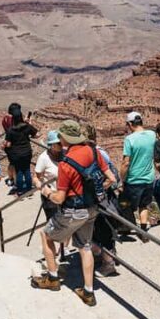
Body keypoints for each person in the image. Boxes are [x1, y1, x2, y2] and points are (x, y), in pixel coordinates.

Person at [31, 120, 116, 307]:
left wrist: (44, 191)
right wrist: (97, 192)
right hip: (93, 209)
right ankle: (88, 291)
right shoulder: (93, 151)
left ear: (65, 138)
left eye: (60, 136)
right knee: (85, 246)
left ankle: (52, 279)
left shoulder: (66, 163)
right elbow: (111, 178)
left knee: (46, 235)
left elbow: (60, 198)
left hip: (73, 211)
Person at [84, 123, 121, 278]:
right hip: (99, 199)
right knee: (98, 231)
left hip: (102, 200)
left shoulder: (98, 154)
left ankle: (108, 265)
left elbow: (112, 178)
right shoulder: (95, 152)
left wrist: (99, 190)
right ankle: (104, 257)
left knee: (103, 230)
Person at [119, 111, 156, 234]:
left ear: (130, 124)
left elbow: (126, 163)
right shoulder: (152, 135)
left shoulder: (129, 139)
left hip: (134, 179)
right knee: (143, 205)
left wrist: (122, 179)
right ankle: (143, 231)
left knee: (124, 203)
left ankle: (128, 226)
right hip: (149, 178)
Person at [4, 109, 38, 195]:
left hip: (16, 154)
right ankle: (29, 190)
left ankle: (19, 191)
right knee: (27, 170)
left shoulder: (11, 130)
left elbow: (8, 144)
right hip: (27, 152)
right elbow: (37, 134)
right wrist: (29, 124)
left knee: (19, 171)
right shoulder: (27, 126)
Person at [33, 130, 63, 221]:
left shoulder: (65, 153)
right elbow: (35, 177)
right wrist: (39, 184)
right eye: (59, 143)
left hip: (65, 195)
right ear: (52, 145)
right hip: (51, 196)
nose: (62, 144)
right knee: (53, 224)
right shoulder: (43, 158)